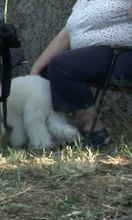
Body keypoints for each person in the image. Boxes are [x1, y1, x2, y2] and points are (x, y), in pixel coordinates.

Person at [30, 0, 132, 147]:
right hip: (98, 57)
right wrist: (35, 70)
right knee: (46, 72)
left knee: (61, 66)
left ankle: (94, 130)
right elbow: (65, 35)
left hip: (123, 55)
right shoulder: (83, 2)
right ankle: (59, 133)